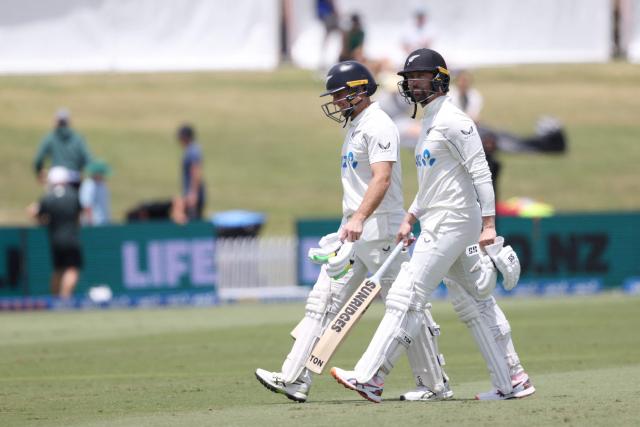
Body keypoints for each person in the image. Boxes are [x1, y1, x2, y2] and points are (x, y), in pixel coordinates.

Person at [330, 49, 535, 402]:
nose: (412, 84)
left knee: (406, 293)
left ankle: (371, 377)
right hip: (440, 217)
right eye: (409, 78)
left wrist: (488, 224)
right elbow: (433, 184)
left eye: (419, 77)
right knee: (474, 302)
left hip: (455, 220)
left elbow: (480, 171)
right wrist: (411, 216)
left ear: (438, 78)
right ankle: (512, 378)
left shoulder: (455, 120)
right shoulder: (429, 122)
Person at [255, 61, 450, 403]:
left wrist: (359, 217)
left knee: (406, 306)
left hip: (381, 232)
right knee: (322, 301)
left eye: (341, 94)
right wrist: (350, 222)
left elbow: (382, 178)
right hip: (354, 232)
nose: (336, 101)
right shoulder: (356, 126)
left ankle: (435, 384)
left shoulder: (379, 126)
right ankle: (294, 378)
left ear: (360, 91)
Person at [28, 166, 84, 299]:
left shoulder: (48, 198)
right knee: (72, 269)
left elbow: (33, 212)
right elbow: (80, 215)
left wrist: (43, 222)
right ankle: (65, 299)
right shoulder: (73, 195)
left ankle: (54, 300)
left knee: (58, 270)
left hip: (54, 238)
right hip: (71, 237)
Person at [33, 108, 92, 188]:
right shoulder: (78, 139)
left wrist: (39, 171)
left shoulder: (51, 137)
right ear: (69, 122)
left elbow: (38, 159)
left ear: (56, 121)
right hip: (74, 179)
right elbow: (88, 160)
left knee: (50, 200)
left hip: (55, 178)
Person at [176, 124, 206, 221]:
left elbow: (196, 171)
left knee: (192, 222)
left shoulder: (193, 151)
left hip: (193, 195)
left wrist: (193, 193)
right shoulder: (191, 150)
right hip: (190, 193)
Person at [79, 160, 112, 226]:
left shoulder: (102, 185)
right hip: (93, 222)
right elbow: (87, 204)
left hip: (103, 221)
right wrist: (91, 221)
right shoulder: (88, 185)